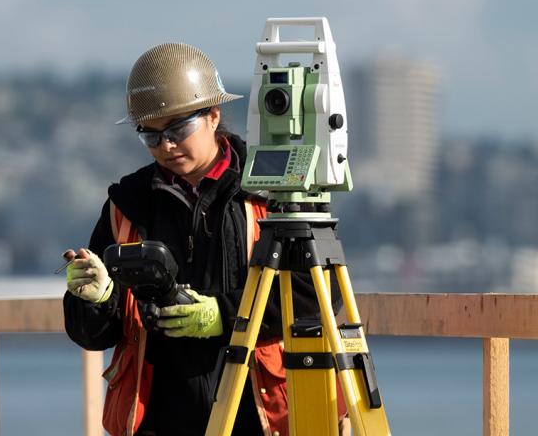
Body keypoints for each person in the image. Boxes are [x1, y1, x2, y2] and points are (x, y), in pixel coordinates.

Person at [63, 43, 335, 436]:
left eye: (177, 129)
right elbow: (94, 336)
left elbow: (318, 294)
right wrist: (95, 301)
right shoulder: (127, 204)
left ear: (213, 115)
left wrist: (224, 316)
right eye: (150, 136)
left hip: (257, 416)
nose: (166, 146)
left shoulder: (273, 193)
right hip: (160, 419)